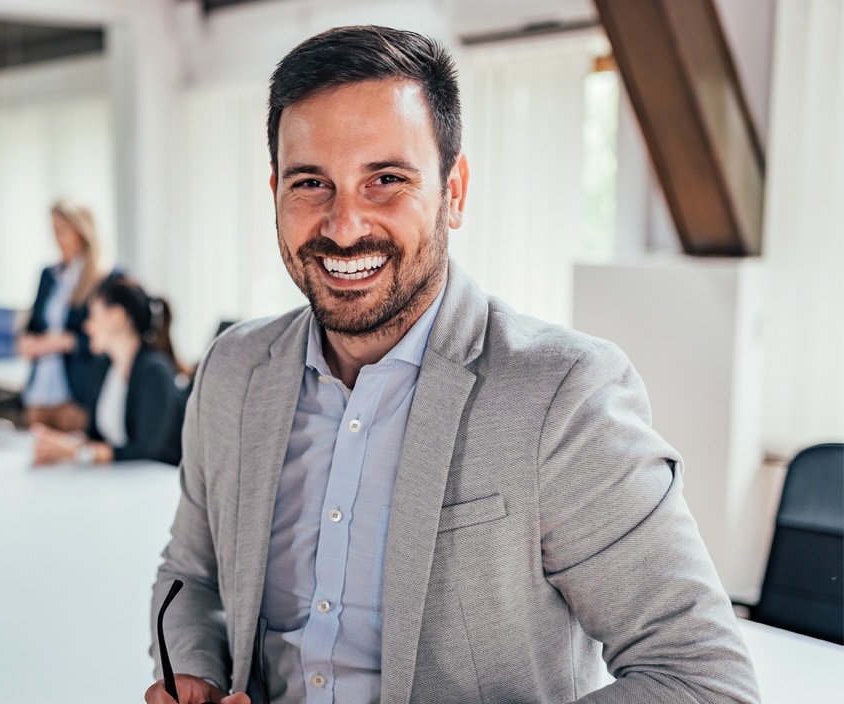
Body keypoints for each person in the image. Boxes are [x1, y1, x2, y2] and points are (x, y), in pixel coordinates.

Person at [146, 26, 756, 704]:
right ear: (276, 193)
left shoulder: (563, 396)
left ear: (454, 191)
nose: (344, 226)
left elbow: (703, 680)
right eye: (311, 183)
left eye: (387, 180)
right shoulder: (232, 371)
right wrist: (195, 673)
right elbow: (190, 576)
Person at [32, 277, 185, 467]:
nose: (87, 327)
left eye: (93, 316)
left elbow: (148, 452)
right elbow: (95, 436)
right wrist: (64, 444)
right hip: (116, 482)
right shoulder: (103, 368)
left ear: (117, 317)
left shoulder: (154, 371)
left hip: (154, 483)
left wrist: (80, 452)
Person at [17, 199, 109, 433]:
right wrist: (27, 341)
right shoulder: (48, 275)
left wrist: (65, 342)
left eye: (62, 231)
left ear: (81, 232)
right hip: (39, 393)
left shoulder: (102, 279)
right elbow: (34, 325)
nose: (57, 238)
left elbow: (105, 338)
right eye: (54, 231)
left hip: (75, 394)